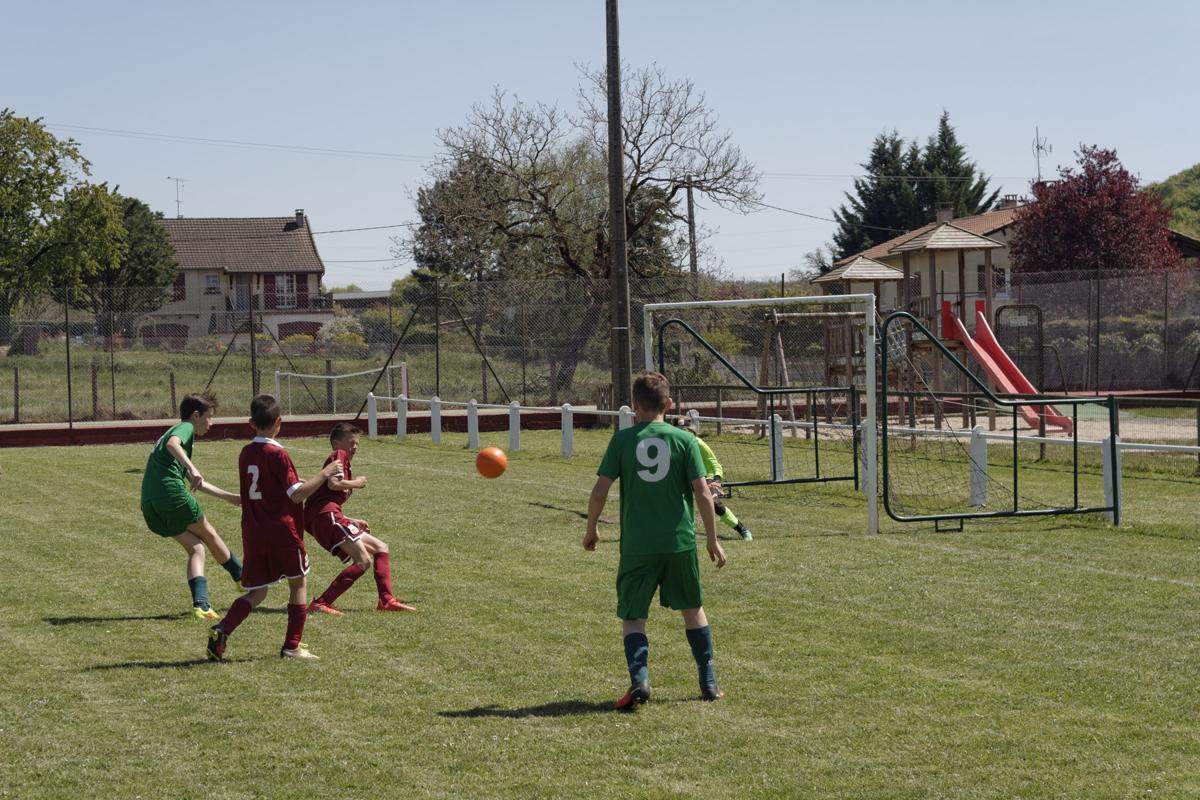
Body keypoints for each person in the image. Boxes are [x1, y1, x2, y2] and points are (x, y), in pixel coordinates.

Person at [583, 372, 727, 710]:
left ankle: (640, 680)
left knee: (634, 616)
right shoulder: (684, 440)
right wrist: (712, 539)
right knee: (693, 610)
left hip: (638, 546)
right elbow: (704, 494)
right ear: (670, 404)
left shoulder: (621, 441)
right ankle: (708, 683)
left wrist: (591, 528)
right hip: (679, 543)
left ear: (634, 406)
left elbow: (600, 490)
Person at [206, 394, 343, 662]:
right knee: (298, 583)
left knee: (258, 591)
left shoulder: (246, 453)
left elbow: (263, 489)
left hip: (254, 531)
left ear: (250, 423)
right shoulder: (278, 453)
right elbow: (296, 494)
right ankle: (292, 647)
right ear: (279, 422)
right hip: (283, 531)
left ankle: (223, 628)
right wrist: (325, 474)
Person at [140, 393, 243, 620]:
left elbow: (197, 483)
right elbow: (172, 444)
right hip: (170, 494)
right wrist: (192, 466)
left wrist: (230, 497)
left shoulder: (175, 437)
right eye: (209, 417)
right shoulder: (185, 428)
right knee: (210, 533)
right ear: (196, 415)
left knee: (196, 548)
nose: (211, 423)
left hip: (150, 503)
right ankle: (243, 578)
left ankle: (202, 606)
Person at [305, 422, 415, 615]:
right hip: (325, 517)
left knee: (381, 548)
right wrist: (357, 483)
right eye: (351, 442)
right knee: (363, 561)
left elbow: (326, 498)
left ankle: (386, 600)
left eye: (357, 444)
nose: (354, 447)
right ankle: (321, 603)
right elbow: (333, 484)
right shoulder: (338, 456)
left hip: (329, 516)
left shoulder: (342, 461)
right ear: (337, 443)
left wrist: (350, 519)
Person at [673, 416, 753, 541]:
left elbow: (714, 462)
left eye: (684, 430)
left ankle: (742, 530)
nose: (681, 433)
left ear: (690, 431)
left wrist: (716, 479)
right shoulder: (673, 444)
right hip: (689, 476)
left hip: (708, 475)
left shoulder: (697, 443)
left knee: (713, 504)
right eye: (678, 430)